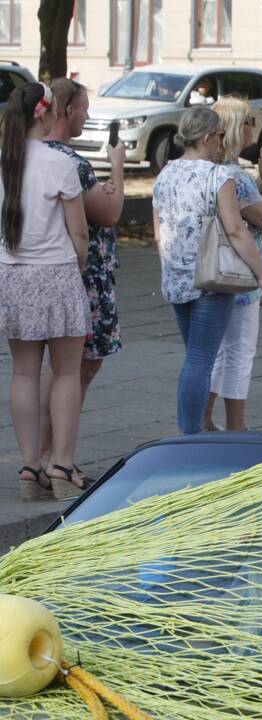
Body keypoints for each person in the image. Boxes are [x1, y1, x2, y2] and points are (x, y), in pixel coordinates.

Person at [152, 107, 262, 435]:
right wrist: (261, 274)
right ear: (207, 138)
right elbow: (236, 230)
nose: (223, 140)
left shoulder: (166, 174)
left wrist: (172, 268)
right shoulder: (218, 176)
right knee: (201, 360)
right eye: (220, 135)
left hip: (177, 279)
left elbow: (158, 233)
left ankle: (188, 429)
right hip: (211, 278)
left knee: (195, 357)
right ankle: (189, 434)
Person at [0, 83, 91, 500]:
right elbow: (79, 232)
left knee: (23, 371)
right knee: (67, 371)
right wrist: (82, 264)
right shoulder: (60, 164)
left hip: (13, 274)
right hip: (56, 273)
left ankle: (28, 465)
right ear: (45, 114)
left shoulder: (5, 162)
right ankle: (61, 464)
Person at [38, 78, 125, 480]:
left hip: (47, 270)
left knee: (57, 370)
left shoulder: (33, 154)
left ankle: (43, 456)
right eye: (85, 108)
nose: (88, 116)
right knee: (73, 371)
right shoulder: (71, 160)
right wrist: (119, 171)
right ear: (67, 110)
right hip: (82, 274)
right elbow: (108, 215)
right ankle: (57, 457)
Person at [201, 97, 262, 432]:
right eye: (248, 121)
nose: (253, 127)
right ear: (233, 128)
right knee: (239, 351)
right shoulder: (237, 177)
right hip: (241, 274)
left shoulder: (208, 169)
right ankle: (237, 426)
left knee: (215, 351)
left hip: (211, 271)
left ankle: (204, 419)